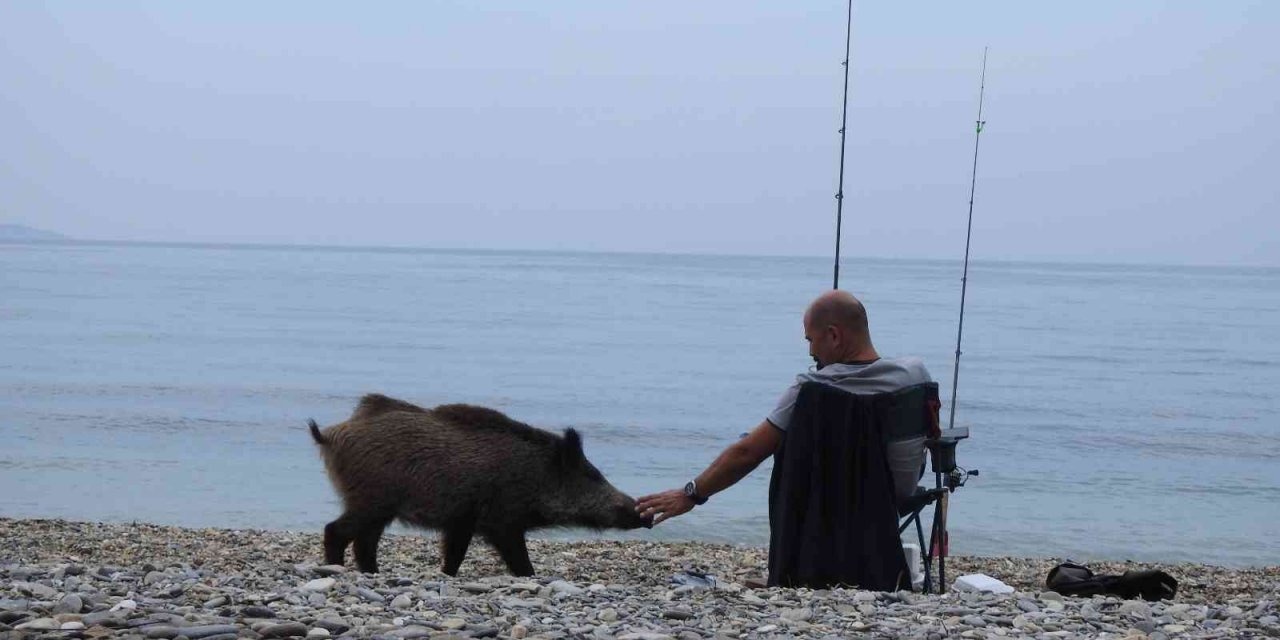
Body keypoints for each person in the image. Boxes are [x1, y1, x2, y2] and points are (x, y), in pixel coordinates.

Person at [635, 289, 933, 526]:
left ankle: (798, 556)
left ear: (833, 335)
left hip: (837, 511)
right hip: (897, 500)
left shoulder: (814, 389)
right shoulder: (915, 375)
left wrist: (692, 493)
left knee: (773, 441)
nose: (811, 351)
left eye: (811, 340)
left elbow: (746, 453)